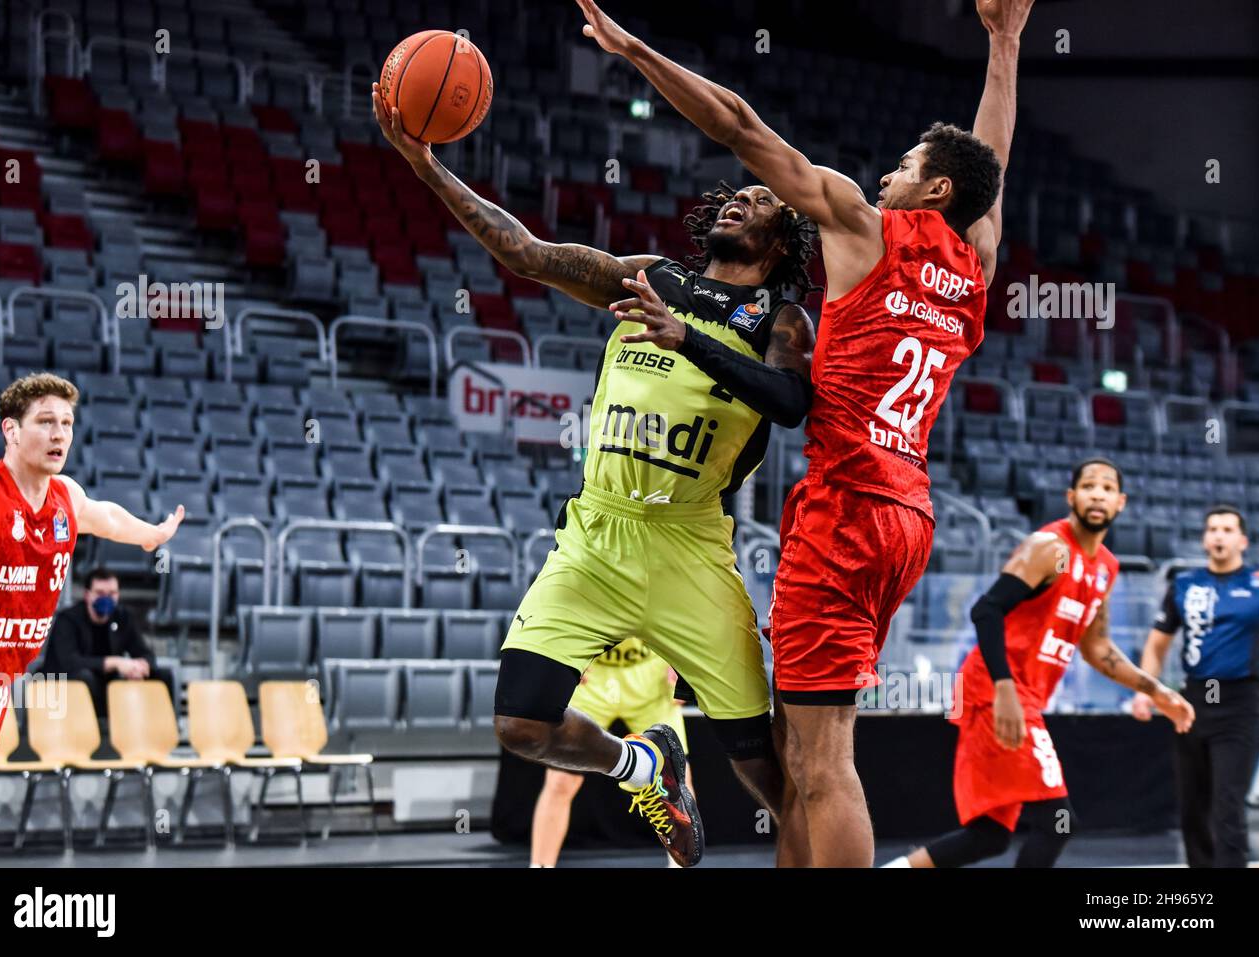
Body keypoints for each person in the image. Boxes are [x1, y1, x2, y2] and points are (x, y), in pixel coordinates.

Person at [576, 0, 1026, 866]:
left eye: (906, 165)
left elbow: (742, 128)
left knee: (821, 764)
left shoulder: (863, 225)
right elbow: (991, 163)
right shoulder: (975, 261)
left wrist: (637, 50)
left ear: (932, 189)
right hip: (907, 515)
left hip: (847, 508)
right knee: (799, 748)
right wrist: (1003, 45)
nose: (887, 173)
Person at [373, 79, 820, 867]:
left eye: (760, 200)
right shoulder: (650, 279)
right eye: (737, 193)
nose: (740, 201)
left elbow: (789, 402)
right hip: (598, 536)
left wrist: (690, 341)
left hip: (690, 546)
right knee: (520, 723)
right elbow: (528, 254)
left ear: (783, 241)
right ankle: (643, 764)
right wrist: (423, 163)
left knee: (769, 775)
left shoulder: (779, 320)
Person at [885, 459, 1194, 868]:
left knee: (989, 836)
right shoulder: (1050, 548)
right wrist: (1005, 689)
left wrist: (1157, 690)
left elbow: (1097, 648)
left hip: (1014, 697)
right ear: (1071, 497)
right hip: (994, 692)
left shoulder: (1106, 567)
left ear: (1120, 503)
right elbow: (986, 610)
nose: (1097, 494)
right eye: (1088, 486)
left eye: (1106, 488)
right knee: (1059, 821)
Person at [0, 372, 183, 867]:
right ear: (11, 431)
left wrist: (151, 535)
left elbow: (105, 516)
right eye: (44, 422)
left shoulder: (67, 497)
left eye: (66, 422)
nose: (59, 433)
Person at [1134, 505, 1259, 867]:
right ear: (1205, 538)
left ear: (1242, 540)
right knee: (1193, 807)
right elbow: (1157, 643)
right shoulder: (1185, 585)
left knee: (1228, 806)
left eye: (1227, 529)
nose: (1218, 535)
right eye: (1212, 529)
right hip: (1190, 703)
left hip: (1241, 702)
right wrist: (1146, 691)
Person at [529, 639, 691, 868]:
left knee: (673, 779)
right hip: (592, 674)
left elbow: (686, 611)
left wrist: (683, 663)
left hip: (651, 675)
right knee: (560, 781)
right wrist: (561, 654)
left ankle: (680, 866)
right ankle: (540, 866)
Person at [42, 567, 173, 718]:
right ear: (87, 595)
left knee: (163, 675)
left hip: (105, 682)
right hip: (62, 684)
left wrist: (140, 666)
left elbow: (145, 653)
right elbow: (69, 663)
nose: (106, 598)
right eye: (100, 593)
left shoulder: (123, 617)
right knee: (85, 677)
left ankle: (160, 730)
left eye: (112, 593)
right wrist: (114, 662)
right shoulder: (68, 619)